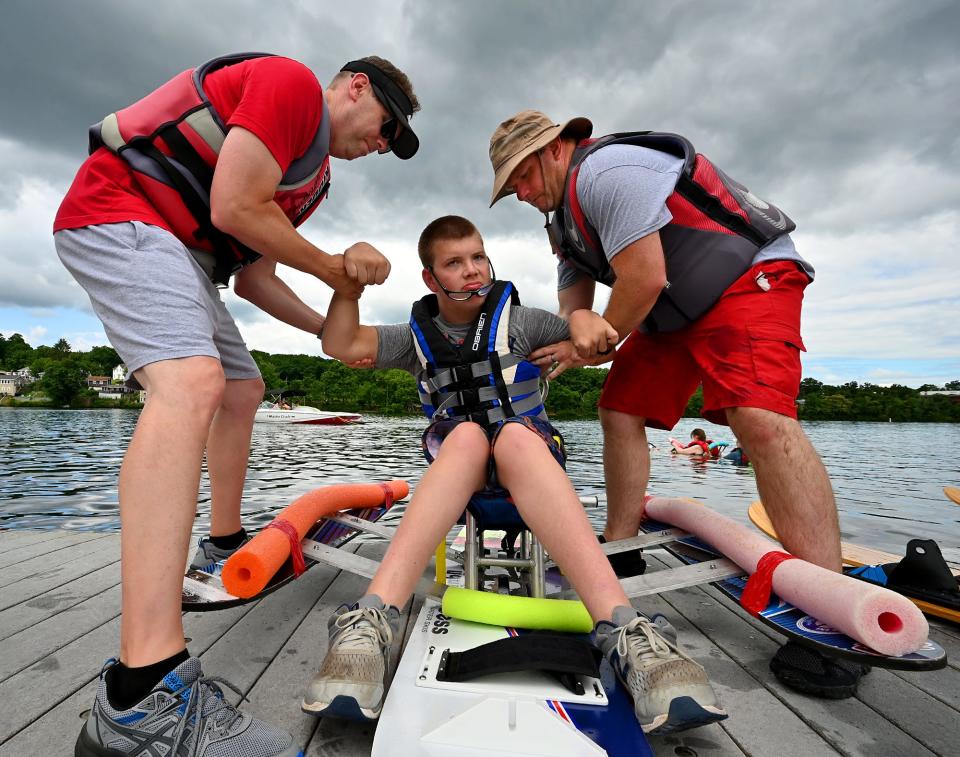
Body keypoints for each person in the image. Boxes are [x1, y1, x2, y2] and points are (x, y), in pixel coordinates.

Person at [54, 52, 420, 757]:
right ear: (356, 87)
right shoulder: (288, 86)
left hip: (186, 257)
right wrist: (339, 266)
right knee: (191, 383)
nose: (382, 145)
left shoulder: (313, 181)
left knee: (243, 386)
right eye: (387, 126)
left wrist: (326, 326)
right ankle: (142, 694)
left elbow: (252, 278)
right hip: (122, 209)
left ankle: (221, 544)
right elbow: (232, 208)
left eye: (391, 144)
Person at [306, 215, 727, 735]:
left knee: (509, 434)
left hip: (527, 459)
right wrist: (346, 289)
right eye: (454, 263)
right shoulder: (413, 337)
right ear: (430, 278)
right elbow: (341, 344)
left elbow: (590, 339)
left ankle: (626, 631)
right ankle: (371, 622)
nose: (472, 270)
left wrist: (586, 328)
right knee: (463, 434)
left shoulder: (523, 323)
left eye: (478, 257)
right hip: (460, 471)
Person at [488, 111, 860, 698]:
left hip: (747, 279)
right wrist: (576, 334)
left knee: (758, 418)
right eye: (511, 190)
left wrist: (596, 333)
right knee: (619, 409)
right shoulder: (563, 226)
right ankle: (623, 546)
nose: (522, 194)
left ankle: (835, 616)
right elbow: (576, 308)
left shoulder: (608, 171)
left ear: (556, 149)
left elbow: (643, 276)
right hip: (674, 310)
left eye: (522, 178)